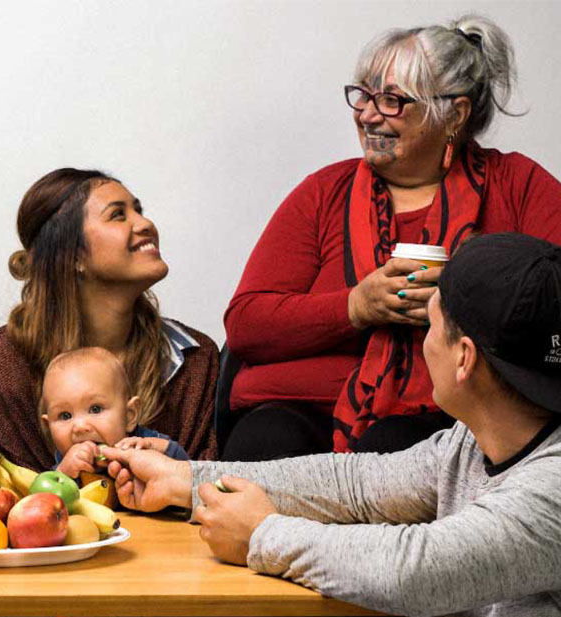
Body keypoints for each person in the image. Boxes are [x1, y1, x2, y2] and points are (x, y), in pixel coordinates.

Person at [107, 232, 561, 617]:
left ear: (464, 358)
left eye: (430, 327)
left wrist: (261, 535)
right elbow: (358, 486)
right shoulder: (472, 441)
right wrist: (183, 479)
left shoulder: (550, 487)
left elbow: (413, 570)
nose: (424, 345)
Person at [222, 15, 561, 461]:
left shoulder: (518, 185)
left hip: (450, 416)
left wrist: (456, 306)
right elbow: (246, 323)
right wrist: (355, 306)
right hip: (300, 410)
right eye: (363, 95)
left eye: (392, 100)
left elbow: (553, 307)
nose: (367, 114)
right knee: (265, 442)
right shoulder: (324, 191)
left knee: (397, 449)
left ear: (454, 115)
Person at [0, 168, 219, 617]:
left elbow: (209, 488)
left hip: (171, 601)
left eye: (140, 208)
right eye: (120, 215)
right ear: (73, 258)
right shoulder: (8, 361)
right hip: (52, 608)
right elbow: (15, 507)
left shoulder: (196, 358)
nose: (145, 223)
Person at [41, 347, 189, 480]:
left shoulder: (145, 444)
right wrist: (62, 475)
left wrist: (164, 449)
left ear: (129, 415)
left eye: (95, 409)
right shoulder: (66, 461)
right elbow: (43, 499)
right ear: (48, 427)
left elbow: (190, 477)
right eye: (65, 416)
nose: (80, 427)